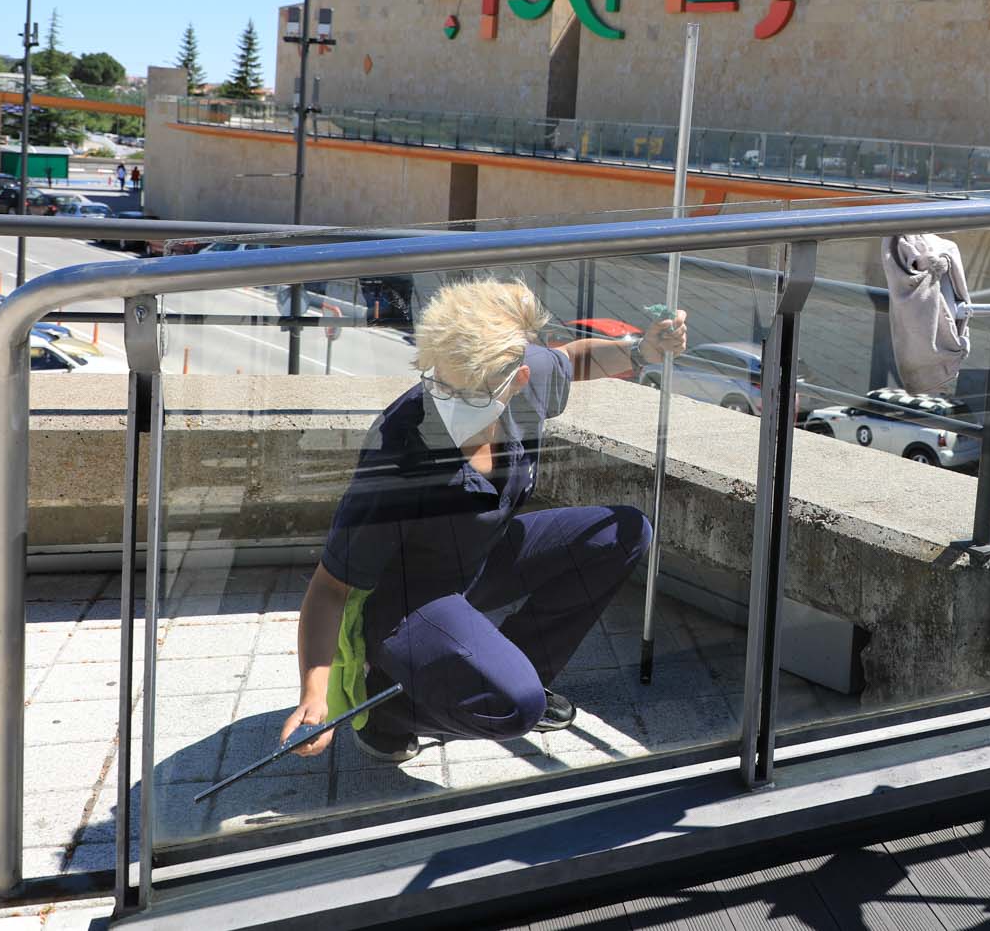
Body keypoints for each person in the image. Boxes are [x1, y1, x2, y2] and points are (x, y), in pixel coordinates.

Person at [280, 278, 687, 763]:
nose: (447, 399)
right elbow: (330, 589)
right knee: (515, 708)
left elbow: (572, 360)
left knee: (622, 534)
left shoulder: (526, 376)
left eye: (467, 392)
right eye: (439, 382)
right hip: (409, 599)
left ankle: (512, 675)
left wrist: (642, 350)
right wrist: (315, 696)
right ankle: (391, 711)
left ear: (517, 379)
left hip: (480, 560)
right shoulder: (398, 447)